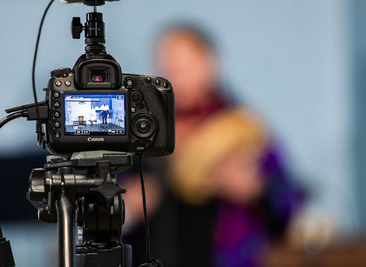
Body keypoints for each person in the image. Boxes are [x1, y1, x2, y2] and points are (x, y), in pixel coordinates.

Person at [121, 25, 304, 267]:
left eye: (184, 67)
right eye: (168, 69)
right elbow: (105, 211)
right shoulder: (142, 133)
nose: (176, 77)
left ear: (212, 64)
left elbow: (290, 206)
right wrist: (127, 205)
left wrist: (256, 190)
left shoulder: (242, 130)